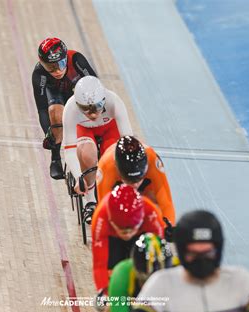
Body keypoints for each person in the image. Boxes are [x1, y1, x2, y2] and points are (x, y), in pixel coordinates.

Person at [132, 210, 249, 312]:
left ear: (218, 250)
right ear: (182, 253)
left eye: (208, 253)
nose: (201, 260)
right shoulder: (161, 283)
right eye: (193, 254)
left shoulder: (240, 279)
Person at [63, 76, 133, 221]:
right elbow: (69, 150)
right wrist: (79, 177)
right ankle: (90, 202)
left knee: (113, 158)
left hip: (109, 129)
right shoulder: (70, 108)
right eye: (86, 110)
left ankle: (112, 195)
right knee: (88, 154)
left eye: (96, 107)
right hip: (84, 129)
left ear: (103, 100)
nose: (93, 114)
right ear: (77, 104)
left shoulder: (114, 101)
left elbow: (128, 141)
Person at [32, 37, 97, 179]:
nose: (56, 71)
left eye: (60, 64)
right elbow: (42, 109)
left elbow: (95, 85)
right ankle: (55, 158)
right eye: (50, 67)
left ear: (66, 58)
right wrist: (49, 134)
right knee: (55, 114)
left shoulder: (76, 59)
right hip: (56, 96)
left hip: (77, 91)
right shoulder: (39, 74)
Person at [91, 184, 165, 298]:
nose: (128, 235)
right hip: (113, 238)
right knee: (112, 276)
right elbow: (100, 264)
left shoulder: (151, 212)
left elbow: (160, 259)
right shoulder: (100, 217)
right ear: (111, 221)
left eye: (131, 230)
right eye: (123, 231)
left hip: (141, 236)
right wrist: (104, 291)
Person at [97, 136, 176, 226]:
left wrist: (167, 228)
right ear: (118, 170)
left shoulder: (152, 159)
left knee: (155, 206)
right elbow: (103, 211)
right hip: (118, 188)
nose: (134, 185)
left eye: (138, 179)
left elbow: (166, 203)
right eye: (129, 181)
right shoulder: (105, 167)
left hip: (145, 187)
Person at [108, 233, 175, 312]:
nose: (151, 287)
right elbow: (118, 311)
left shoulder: (178, 272)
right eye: (144, 280)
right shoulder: (122, 273)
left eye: (159, 281)